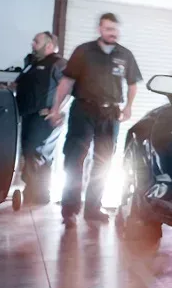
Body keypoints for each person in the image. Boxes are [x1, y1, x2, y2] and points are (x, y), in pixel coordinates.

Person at [47, 13, 142, 227]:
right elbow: (66, 82)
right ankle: (69, 210)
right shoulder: (83, 51)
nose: (113, 33)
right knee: (74, 159)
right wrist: (55, 109)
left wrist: (128, 106)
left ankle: (93, 209)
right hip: (83, 109)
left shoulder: (125, 55)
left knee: (103, 163)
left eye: (115, 29)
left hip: (110, 114)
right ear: (100, 29)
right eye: (108, 29)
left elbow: (133, 84)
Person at [13, 32, 67, 205]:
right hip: (27, 115)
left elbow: (68, 87)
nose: (33, 44)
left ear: (49, 46)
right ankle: (34, 193)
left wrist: (56, 110)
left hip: (44, 116)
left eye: (37, 41)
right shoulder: (32, 63)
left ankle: (39, 196)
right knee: (29, 153)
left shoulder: (58, 63)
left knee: (37, 153)